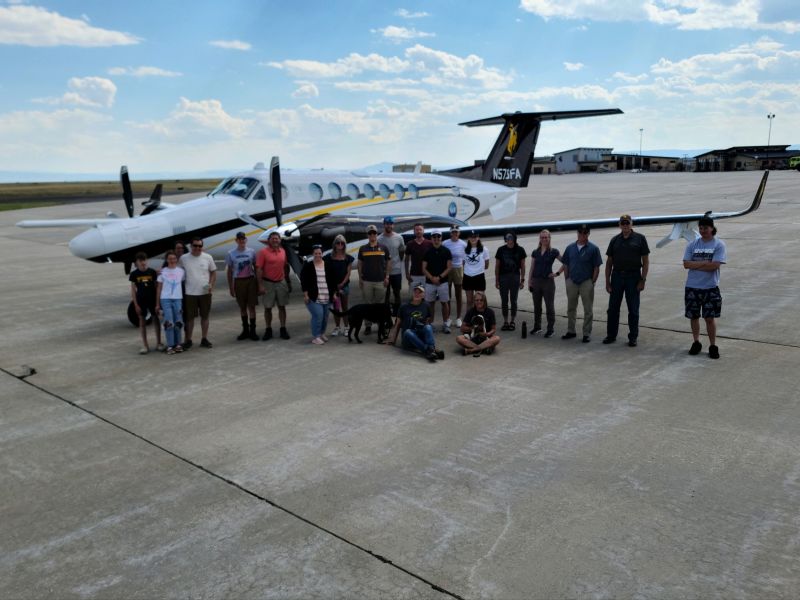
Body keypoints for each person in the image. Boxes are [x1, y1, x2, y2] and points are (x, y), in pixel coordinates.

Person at [683, 215, 727, 359]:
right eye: (701, 228)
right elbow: (686, 264)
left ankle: (713, 345)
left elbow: (714, 266)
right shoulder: (692, 244)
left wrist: (696, 264)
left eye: (705, 228)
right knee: (694, 317)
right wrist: (705, 264)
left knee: (709, 318)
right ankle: (696, 342)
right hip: (692, 287)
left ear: (712, 228)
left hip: (710, 287)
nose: (703, 231)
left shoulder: (719, 245)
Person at [603, 214, 650, 347]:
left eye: (627, 223)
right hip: (617, 277)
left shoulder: (640, 239)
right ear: (619, 225)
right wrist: (607, 281)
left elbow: (645, 262)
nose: (625, 225)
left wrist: (643, 280)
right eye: (623, 223)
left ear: (631, 224)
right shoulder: (614, 240)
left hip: (633, 277)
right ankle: (611, 335)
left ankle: (633, 337)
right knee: (612, 309)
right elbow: (609, 263)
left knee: (633, 309)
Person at [561, 225, 602, 343]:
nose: (582, 235)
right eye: (580, 232)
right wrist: (567, 280)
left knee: (588, 309)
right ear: (577, 233)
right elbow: (566, 264)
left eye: (585, 233)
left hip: (586, 282)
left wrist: (592, 282)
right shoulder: (570, 248)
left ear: (588, 234)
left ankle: (586, 333)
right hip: (572, 282)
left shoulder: (594, 249)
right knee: (571, 308)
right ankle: (571, 331)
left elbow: (596, 267)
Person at [385, 283, 443, 362]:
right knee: (408, 332)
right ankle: (431, 350)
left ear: (423, 295)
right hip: (408, 337)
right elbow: (397, 324)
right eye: (415, 292)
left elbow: (427, 323)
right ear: (412, 293)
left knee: (429, 327)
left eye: (420, 292)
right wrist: (393, 340)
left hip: (420, 335)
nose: (417, 294)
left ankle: (429, 351)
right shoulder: (404, 306)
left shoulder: (426, 306)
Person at [180, 237, 217, 349]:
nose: (197, 248)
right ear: (190, 246)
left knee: (205, 317)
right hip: (190, 293)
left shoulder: (208, 257)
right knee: (190, 318)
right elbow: (177, 272)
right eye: (195, 246)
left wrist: (211, 285)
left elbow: (213, 272)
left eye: (200, 246)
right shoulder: (183, 258)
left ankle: (204, 339)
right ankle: (189, 340)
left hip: (205, 292)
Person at [256, 231, 291, 341]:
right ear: (269, 240)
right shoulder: (263, 252)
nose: (275, 240)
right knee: (268, 308)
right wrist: (260, 285)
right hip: (268, 283)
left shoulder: (283, 251)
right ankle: (268, 329)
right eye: (273, 238)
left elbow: (285, 266)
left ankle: (283, 328)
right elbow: (259, 269)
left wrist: (287, 281)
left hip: (281, 282)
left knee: (282, 307)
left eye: (277, 238)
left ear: (280, 240)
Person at [301, 245, 339, 345]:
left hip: (327, 296)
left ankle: (322, 333)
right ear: (312, 254)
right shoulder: (308, 266)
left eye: (319, 253)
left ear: (322, 254)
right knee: (318, 315)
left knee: (325, 317)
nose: (318, 255)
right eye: (316, 253)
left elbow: (333, 281)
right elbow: (304, 282)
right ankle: (316, 336)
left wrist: (334, 294)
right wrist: (306, 295)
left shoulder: (328, 265)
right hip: (314, 297)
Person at [528, 230, 563, 338]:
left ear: (549, 238)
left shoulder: (554, 251)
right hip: (536, 281)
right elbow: (532, 267)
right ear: (540, 239)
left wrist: (557, 273)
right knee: (537, 306)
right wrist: (530, 281)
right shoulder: (535, 252)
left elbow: (566, 262)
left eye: (546, 237)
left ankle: (550, 329)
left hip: (548, 282)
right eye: (542, 237)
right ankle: (537, 327)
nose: (544, 239)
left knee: (549, 307)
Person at [357, 224, 391, 335]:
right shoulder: (363, 248)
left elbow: (389, 262)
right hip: (367, 281)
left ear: (377, 234)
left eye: (374, 233)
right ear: (368, 235)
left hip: (381, 281)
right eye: (370, 233)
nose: (372, 235)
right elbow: (360, 264)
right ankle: (368, 326)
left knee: (380, 306)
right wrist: (360, 278)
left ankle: (380, 326)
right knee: (368, 305)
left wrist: (387, 276)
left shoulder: (384, 247)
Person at [226, 231, 259, 341]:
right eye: (239, 239)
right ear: (236, 240)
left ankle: (253, 331)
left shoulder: (252, 252)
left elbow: (256, 267)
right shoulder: (231, 253)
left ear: (246, 240)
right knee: (242, 307)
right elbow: (230, 271)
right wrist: (231, 287)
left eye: (243, 239)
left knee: (252, 307)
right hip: (239, 281)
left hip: (250, 280)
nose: (242, 241)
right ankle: (245, 330)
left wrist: (259, 283)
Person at [129, 252, 162, 354]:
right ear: (136, 263)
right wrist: (136, 305)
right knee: (142, 322)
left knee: (156, 320)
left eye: (144, 260)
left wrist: (157, 303)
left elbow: (157, 288)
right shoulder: (134, 274)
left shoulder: (152, 272)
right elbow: (133, 290)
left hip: (152, 300)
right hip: (141, 301)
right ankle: (145, 345)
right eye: (140, 261)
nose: (143, 263)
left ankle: (159, 343)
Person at [494, 232, 526, 331]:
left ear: (514, 238)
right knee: (504, 300)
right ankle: (505, 321)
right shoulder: (500, 250)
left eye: (511, 237)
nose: (509, 239)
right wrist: (497, 280)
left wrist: (522, 280)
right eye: (507, 237)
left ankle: (512, 321)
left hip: (515, 277)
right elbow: (497, 265)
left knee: (514, 300)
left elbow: (523, 265)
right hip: (503, 277)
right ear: (505, 239)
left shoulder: (520, 250)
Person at [422, 230, 452, 332]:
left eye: (438, 236)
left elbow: (449, 267)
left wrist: (439, 277)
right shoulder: (427, 252)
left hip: (442, 282)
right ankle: (430, 324)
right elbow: (424, 268)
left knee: (445, 303)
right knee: (430, 303)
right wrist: (432, 278)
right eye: (434, 237)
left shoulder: (447, 251)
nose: (436, 239)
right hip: (430, 282)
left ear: (441, 238)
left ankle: (446, 323)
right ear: (431, 239)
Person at [156, 250, 185, 355]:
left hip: (178, 299)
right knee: (169, 323)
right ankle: (170, 345)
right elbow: (159, 288)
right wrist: (157, 304)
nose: (172, 260)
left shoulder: (181, 271)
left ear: (176, 259)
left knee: (178, 321)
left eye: (174, 258)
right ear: (166, 260)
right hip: (165, 299)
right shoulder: (162, 272)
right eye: (170, 259)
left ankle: (178, 344)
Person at [326, 234, 354, 336]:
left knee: (345, 307)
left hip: (344, 286)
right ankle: (337, 327)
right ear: (335, 244)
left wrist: (342, 284)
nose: (340, 245)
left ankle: (347, 327)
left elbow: (348, 273)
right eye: (338, 243)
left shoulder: (348, 258)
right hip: (333, 287)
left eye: (342, 243)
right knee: (336, 308)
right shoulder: (329, 258)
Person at [456, 291, 500, 356]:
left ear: (484, 301)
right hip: (472, 337)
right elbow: (462, 328)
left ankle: (471, 350)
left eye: (481, 300)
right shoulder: (470, 311)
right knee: (459, 338)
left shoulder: (490, 312)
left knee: (497, 338)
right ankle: (484, 348)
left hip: (485, 337)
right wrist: (472, 328)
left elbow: (493, 329)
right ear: (474, 301)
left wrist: (487, 334)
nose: (479, 302)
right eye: (477, 300)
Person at [377, 216, 405, 316]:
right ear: (384, 225)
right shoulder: (379, 239)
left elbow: (402, 251)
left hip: (396, 271)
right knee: (386, 295)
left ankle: (398, 314)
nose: (388, 225)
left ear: (393, 225)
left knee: (397, 293)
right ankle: (386, 315)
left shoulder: (399, 237)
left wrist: (397, 262)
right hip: (384, 272)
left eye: (390, 224)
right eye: (387, 224)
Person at [443, 225, 467, 328]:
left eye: (456, 232)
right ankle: (448, 318)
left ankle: (458, 318)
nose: (455, 233)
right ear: (450, 233)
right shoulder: (445, 243)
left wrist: (464, 271)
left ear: (459, 233)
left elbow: (465, 259)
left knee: (458, 294)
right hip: (447, 269)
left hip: (458, 268)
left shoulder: (463, 244)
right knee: (447, 295)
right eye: (453, 232)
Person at [462, 229, 490, 313]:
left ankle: (482, 318)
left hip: (479, 276)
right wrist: (470, 270)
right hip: (468, 277)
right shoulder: (465, 250)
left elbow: (486, 264)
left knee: (480, 300)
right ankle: (469, 320)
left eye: (475, 237)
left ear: (478, 238)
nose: (473, 239)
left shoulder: (484, 249)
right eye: (471, 237)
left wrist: (478, 269)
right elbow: (463, 263)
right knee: (469, 301)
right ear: (468, 238)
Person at [404, 223, 432, 293]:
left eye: (420, 229)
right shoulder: (410, 244)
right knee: (415, 297)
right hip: (414, 275)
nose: (418, 231)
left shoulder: (429, 243)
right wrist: (407, 273)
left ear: (423, 231)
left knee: (426, 297)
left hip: (426, 275)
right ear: (414, 231)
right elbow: (406, 260)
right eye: (416, 230)